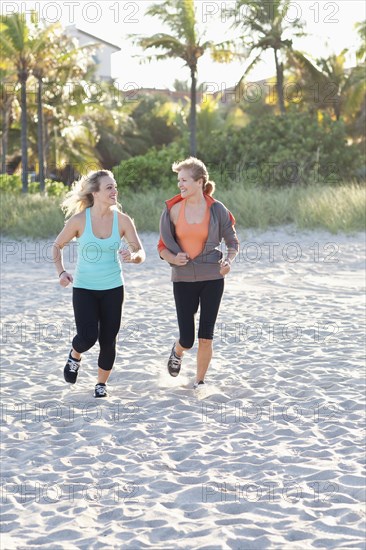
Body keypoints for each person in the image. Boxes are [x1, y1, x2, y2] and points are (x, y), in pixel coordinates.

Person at [52, 170, 145, 398]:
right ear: (95, 193)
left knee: (108, 339)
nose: (115, 191)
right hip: (84, 288)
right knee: (87, 337)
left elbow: (140, 250)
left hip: (113, 288)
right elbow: (57, 246)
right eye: (109, 188)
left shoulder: (123, 220)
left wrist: (133, 258)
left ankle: (101, 384)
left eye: (115, 186)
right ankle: (75, 354)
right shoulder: (79, 220)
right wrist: (62, 272)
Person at [158, 157, 239, 390]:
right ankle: (177, 350)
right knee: (187, 338)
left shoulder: (217, 209)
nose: (179, 185)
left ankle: (199, 381)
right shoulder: (172, 210)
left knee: (206, 335)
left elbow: (232, 242)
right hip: (183, 278)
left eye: (183, 180)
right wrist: (174, 258)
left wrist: (228, 260)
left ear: (199, 182)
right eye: (178, 180)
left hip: (213, 277)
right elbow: (162, 247)